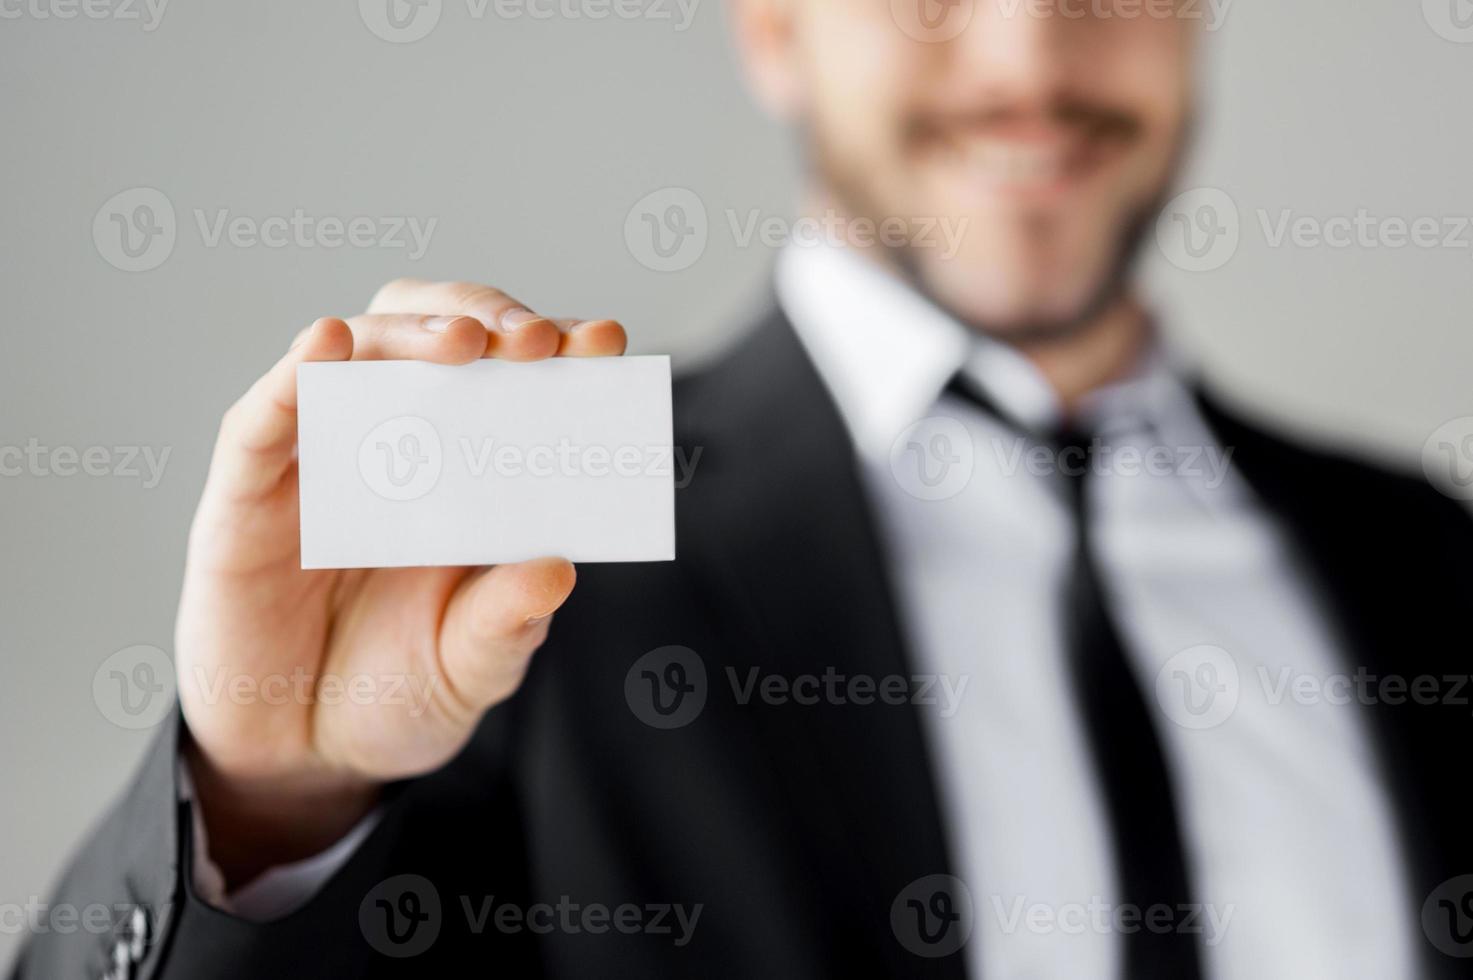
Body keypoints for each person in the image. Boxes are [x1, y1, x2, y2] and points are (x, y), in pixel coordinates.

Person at [16, 1, 1472, 977]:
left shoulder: (1423, 565)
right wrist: (271, 803)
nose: (1031, 53)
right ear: (773, 26)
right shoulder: (515, 544)